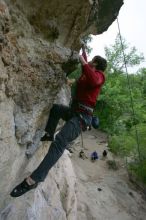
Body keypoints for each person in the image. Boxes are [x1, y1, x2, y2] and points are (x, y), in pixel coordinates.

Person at [10, 44, 107, 197]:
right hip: (74, 112)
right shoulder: (88, 73)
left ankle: (33, 180)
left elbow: (94, 79)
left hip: (82, 118)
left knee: (59, 143)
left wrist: (82, 60)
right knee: (55, 109)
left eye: (91, 62)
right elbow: (87, 69)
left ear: (95, 65)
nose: (88, 64)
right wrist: (84, 52)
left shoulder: (99, 76)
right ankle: (48, 133)